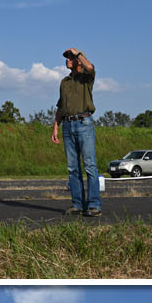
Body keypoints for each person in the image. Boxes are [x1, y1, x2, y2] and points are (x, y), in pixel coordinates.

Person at [51, 48, 101, 216]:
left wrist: (78, 53)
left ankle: (94, 205)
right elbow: (61, 106)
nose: (67, 60)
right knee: (73, 168)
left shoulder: (86, 77)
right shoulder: (64, 82)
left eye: (70, 57)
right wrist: (56, 126)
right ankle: (77, 204)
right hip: (68, 125)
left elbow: (90, 67)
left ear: (78, 60)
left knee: (90, 165)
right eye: (66, 57)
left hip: (84, 123)